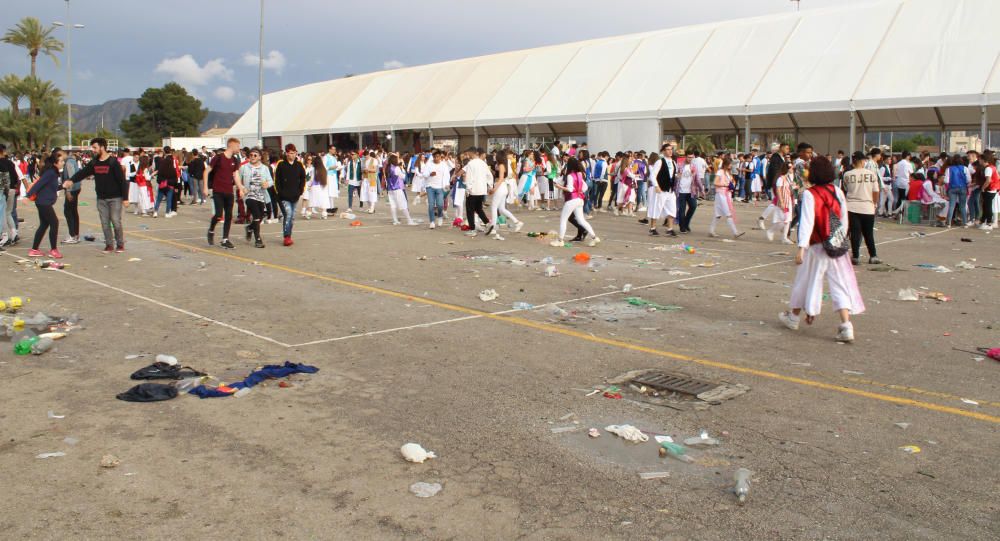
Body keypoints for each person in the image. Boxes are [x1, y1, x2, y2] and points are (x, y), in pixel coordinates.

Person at [779, 155, 864, 343]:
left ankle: (794, 317)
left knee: (805, 281)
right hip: (835, 245)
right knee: (839, 284)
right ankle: (846, 325)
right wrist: (839, 240)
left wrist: (801, 248)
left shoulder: (810, 194)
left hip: (816, 245)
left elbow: (807, 222)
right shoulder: (837, 191)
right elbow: (844, 219)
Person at [65, 137, 130, 253]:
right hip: (101, 198)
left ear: (102, 147)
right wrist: (71, 180)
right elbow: (83, 173)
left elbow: (122, 181)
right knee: (105, 223)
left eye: (95, 147)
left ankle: (120, 244)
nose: (93, 150)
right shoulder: (94, 162)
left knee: (116, 221)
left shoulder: (113, 162)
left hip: (115, 198)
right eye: (92, 148)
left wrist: (125, 198)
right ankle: (109, 245)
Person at [842, 151, 882, 265]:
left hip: (851, 206)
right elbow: (876, 191)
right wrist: (874, 204)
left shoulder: (847, 174)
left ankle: (855, 256)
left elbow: (845, 189)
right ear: (862, 161)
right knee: (868, 233)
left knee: (855, 233)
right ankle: (873, 256)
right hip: (867, 207)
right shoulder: (871, 174)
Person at [549, 157, 600, 247]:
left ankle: (560, 240)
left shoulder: (570, 175)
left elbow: (570, 189)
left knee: (563, 219)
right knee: (581, 220)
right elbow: (585, 187)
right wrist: (578, 191)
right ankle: (594, 237)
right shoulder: (579, 174)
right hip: (580, 199)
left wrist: (559, 187)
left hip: (572, 200)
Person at [203, 138, 244, 249]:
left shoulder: (235, 160)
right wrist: (205, 187)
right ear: (231, 145)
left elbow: (236, 175)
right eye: (238, 146)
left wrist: (240, 188)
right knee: (218, 215)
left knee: (229, 215)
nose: (239, 149)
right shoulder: (218, 158)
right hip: (218, 191)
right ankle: (211, 230)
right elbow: (206, 171)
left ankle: (225, 239)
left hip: (229, 191)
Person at [26, 150, 64, 259]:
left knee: (44, 224)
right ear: (55, 163)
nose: (63, 163)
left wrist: (63, 186)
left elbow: (52, 188)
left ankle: (34, 250)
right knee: (54, 222)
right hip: (43, 202)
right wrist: (28, 196)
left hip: (43, 202)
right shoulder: (50, 172)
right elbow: (38, 184)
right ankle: (53, 250)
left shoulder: (53, 173)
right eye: (61, 161)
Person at [274, 143, 307, 246]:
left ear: (296, 153)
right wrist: (280, 192)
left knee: (292, 216)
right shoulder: (281, 164)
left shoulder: (299, 165)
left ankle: (289, 235)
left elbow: (303, 178)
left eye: (293, 153)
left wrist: (300, 191)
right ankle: (286, 237)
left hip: (295, 196)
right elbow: (276, 180)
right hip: (283, 196)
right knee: (287, 214)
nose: (291, 155)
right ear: (286, 153)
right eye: (289, 153)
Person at [239, 148, 273, 248]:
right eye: (251, 155)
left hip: (261, 195)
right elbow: (237, 181)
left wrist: (267, 184)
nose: (252, 157)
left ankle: (250, 228)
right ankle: (258, 239)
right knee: (257, 215)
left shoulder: (265, 168)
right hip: (249, 195)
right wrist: (241, 189)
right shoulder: (244, 167)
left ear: (259, 157)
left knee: (260, 216)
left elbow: (270, 181)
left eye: (255, 155)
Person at [487, 149, 523, 240]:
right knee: (501, 209)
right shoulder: (503, 164)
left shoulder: (501, 165)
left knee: (494, 207)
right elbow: (500, 176)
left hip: (500, 187)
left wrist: (494, 189)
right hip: (503, 187)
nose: (495, 156)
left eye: (496, 155)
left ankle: (493, 227)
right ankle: (517, 222)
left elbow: (501, 179)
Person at [707, 156, 745, 239]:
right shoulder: (720, 172)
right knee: (728, 213)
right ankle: (735, 232)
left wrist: (732, 184)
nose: (731, 166)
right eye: (730, 164)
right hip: (721, 195)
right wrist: (724, 185)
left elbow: (732, 181)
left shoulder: (728, 172)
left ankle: (711, 230)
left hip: (727, 194)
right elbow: (715, 182)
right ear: (725, 164)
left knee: (718, 214)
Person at [462, 148, 492, 237]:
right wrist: (490, 186)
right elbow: (489, 175)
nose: (468, 156)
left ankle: (472, 229)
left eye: (468, 154)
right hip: (482, 190)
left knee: (470, 210)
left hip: (473, 190)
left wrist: (468, 189)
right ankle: (487, 223)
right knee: (479, 209)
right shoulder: (483, 163)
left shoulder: (470, 163)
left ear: (472, 153)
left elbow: (469, 178)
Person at [384, 154, 416, 226]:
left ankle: (395, 220)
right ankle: (409, 220)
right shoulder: (396, 168)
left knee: (393, 205)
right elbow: (403, 177)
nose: (398, 160)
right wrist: (402, 169)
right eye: (397, 159)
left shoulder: (388, 168)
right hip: (397, 188)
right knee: (403, 204)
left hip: (390, 189)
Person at [0, 144, 20, 248]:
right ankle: (14, 233)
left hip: (3, 190)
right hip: (11, 189)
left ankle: (4, 235)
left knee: (2, 213)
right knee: (8, 213)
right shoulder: (10, 163)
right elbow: (16, 177)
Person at [942, 154, 970, 227]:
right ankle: (965, 223)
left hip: (952, 188)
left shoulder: (949, 169)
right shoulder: (965, 168)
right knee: (962, 206)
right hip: (963, 188)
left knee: (951, 206)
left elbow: (946, 180)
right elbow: (969, 180)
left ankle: (948, 223)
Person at [424, 150, 450, 228]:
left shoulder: (444, 165)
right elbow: (424, 174)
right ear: (433, 157)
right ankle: (432, 221)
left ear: (440, 157)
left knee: (440, 205)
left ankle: (440, 216)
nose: (436, 158)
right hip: (430, 187)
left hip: (440, 187)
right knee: (431, 205)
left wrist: (446, 184)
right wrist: (430, 174)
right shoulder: (429, 164)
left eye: (437, 157)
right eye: (434, 157)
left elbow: (447, 175)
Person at [153, 146, 179, 218]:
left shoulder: (162, 163)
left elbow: (159, 175)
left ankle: (155, 212)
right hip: (170, 184)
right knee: (169, 199)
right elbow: (175, 177)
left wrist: (160, 182)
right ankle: (167, 213)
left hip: (162, 184)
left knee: (159, 199)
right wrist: (176, 186)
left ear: (164, 151)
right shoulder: (172, 165)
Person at [61, 150, 81, 243]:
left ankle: (73, 235)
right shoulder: (72, 160)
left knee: (68, 211)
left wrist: (68, 191)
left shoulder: (69, 163)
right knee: (73, 211)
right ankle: (76, 235)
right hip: (76, 188)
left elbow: (71, 177)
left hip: (72, 190)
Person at [891, 150, 913, 217]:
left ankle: (897, 214)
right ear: (907, 156)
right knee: (904, 198)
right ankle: (901, 213)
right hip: (906, 182)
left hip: (899, 182)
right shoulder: (908, 164)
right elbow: (911, 173)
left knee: (899, 198)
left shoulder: (898, 163)